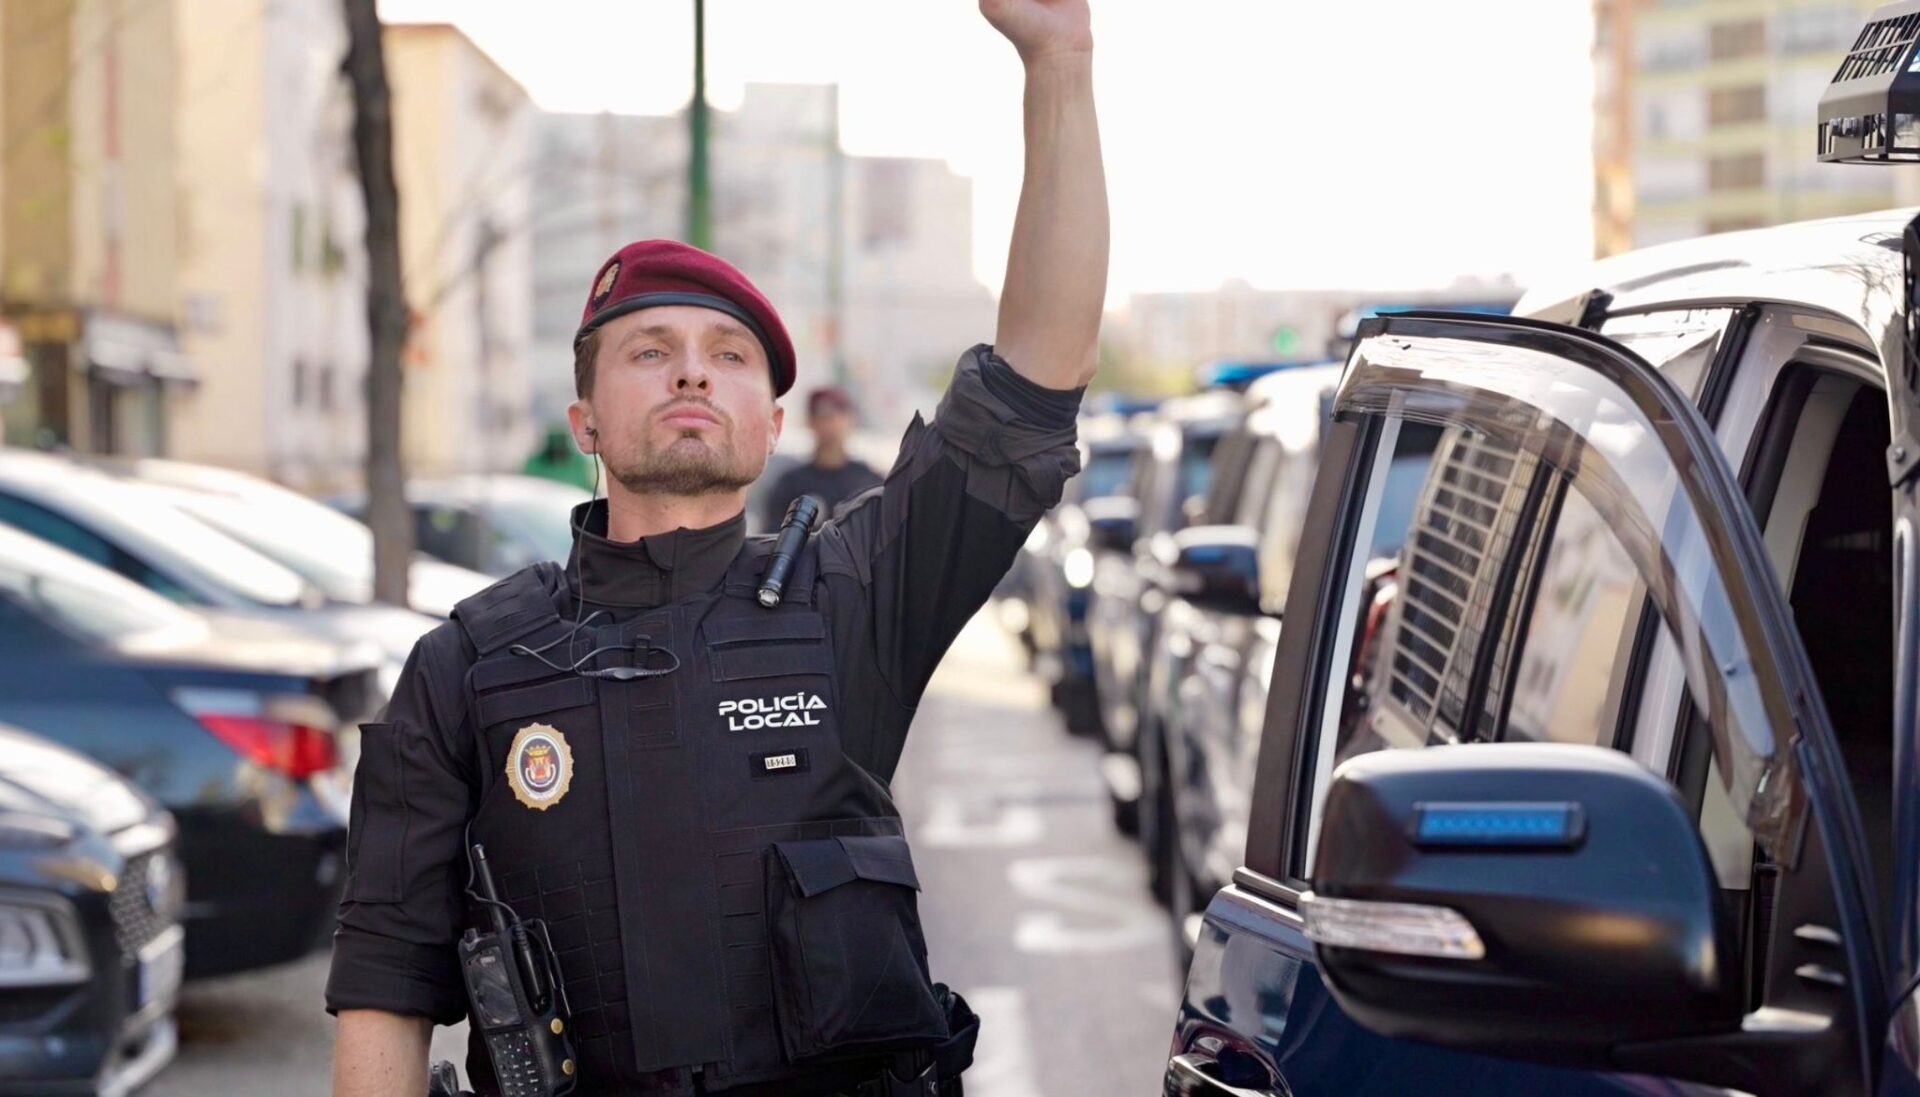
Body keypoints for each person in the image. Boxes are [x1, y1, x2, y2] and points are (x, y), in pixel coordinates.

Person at [326, 1, 1106, 1093]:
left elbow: (1034, 382)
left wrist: (1059, 60)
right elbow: (384, 984)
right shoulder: (465, 666)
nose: (692, 371)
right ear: (585, 420)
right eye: (650, 350)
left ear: (771, 424)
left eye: (729, 354)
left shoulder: (853, 595)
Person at [758, 387, 883, 529]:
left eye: (839, 415)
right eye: (824, 416)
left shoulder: (869, 483)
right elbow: (772, 537)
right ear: (811, 421)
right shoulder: (791, 484)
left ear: (851, 420)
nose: (832, 424)